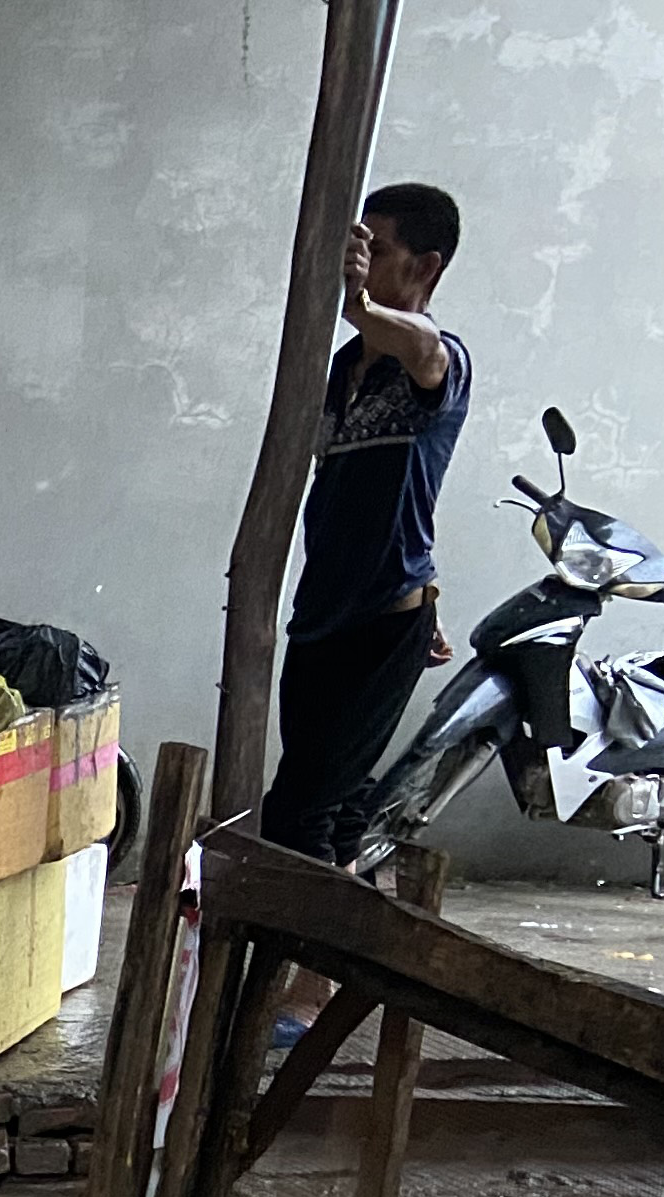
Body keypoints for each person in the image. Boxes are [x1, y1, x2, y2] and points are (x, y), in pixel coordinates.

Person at [262, 181, 470, 864]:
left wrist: (358, 303)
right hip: (321, 610)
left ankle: (302, 962)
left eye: (377, 250)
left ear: (426, 266)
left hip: (381, 622)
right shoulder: (345, 366)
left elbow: (421, 345)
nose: (361, 261)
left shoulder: (438, 361)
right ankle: (344, 957)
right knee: (337, 807)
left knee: (298, 816)